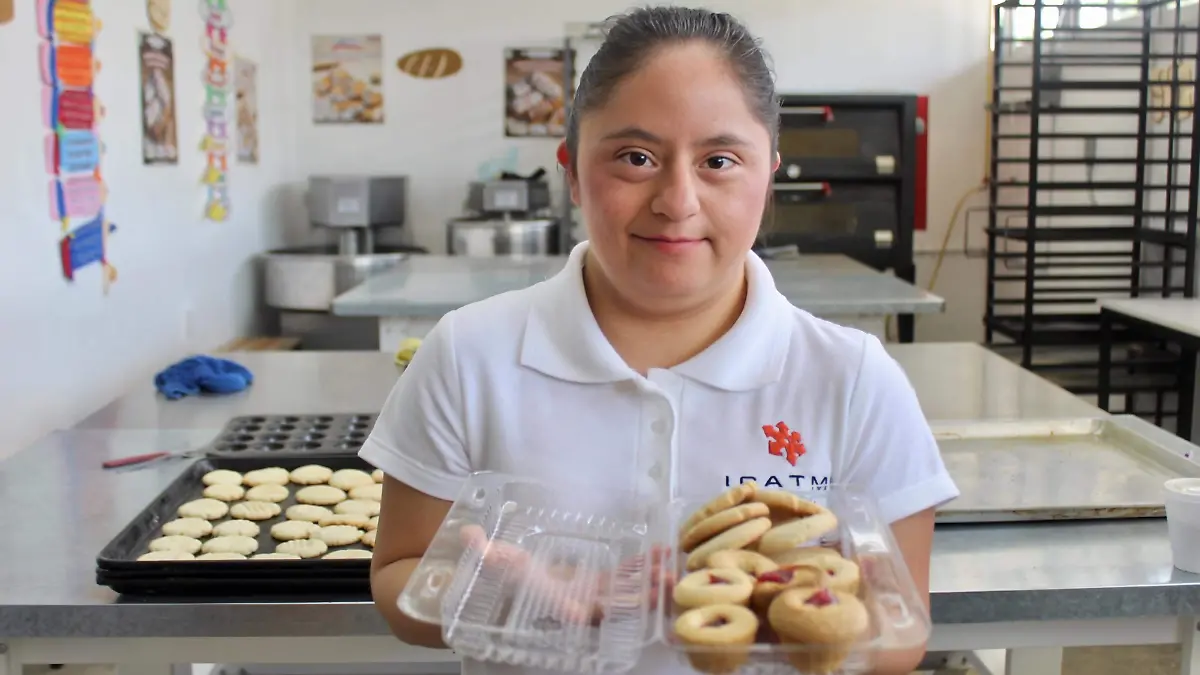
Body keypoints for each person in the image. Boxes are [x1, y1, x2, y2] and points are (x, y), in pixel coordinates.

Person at [364, 6, 958, 675]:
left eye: (720, 160)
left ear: (769, 173)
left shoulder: (852, 379)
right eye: (635, 157)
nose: (678, 200)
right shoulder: (469, 353)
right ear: (571, 170)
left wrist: (783, 611)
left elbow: (902, 636)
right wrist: (497, 591)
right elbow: (398, 581)